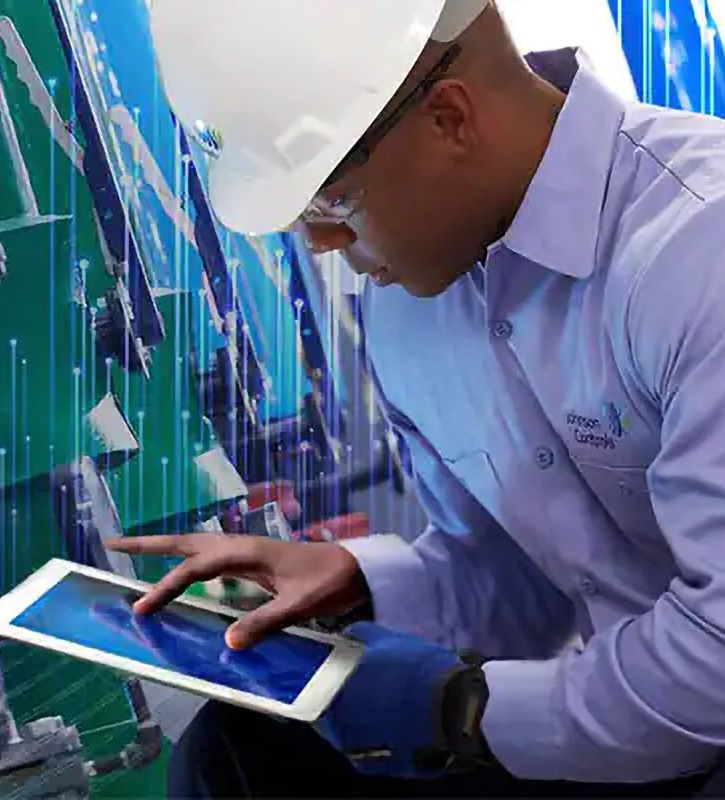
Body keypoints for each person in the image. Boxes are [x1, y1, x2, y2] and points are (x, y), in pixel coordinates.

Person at [110, 0, 725, 796]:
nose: (322, 246)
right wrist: (360, 579)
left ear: (450, 118)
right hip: (639, 722)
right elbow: (529, 583)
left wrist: (462, 710)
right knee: (239, 759)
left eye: (332, 202)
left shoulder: (694, 251)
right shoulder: (411, 304)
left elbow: (716, 658)